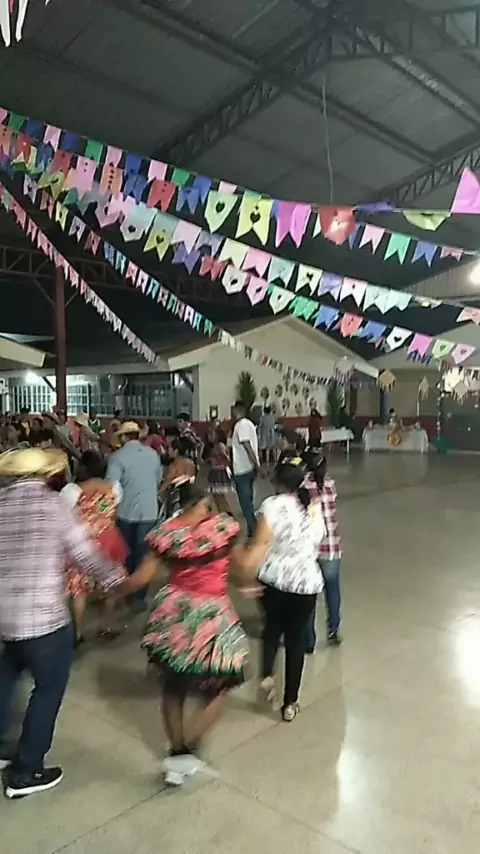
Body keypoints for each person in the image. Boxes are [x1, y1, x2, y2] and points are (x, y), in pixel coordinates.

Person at [0, 447, 125, 799]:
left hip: (5, 616)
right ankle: (26, 771)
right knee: (48, 688)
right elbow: (84, 555)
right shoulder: (54, 507)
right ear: (45, 475)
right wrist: (115, 578)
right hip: (44, 619)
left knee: (7, 674)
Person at [122, 482, 248, 787]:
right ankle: (189, 748)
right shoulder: (222, 528)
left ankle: (177, 749)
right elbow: (244, 567)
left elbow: (141, 578)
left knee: (173, 688)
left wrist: (112, 590)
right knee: (220, 686)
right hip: (213, 615)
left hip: (175, 614)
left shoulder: (167, 534)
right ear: (203, 502)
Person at [235, 459, 325, 722]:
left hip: (273, 580)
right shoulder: (313, 507)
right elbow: (317, 540)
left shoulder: (271, 506)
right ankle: (290, 703)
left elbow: (260, 544)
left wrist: (246, 576)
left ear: (276, 482)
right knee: (296, 642)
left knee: (272, 629)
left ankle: (267, 675)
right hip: (306, 582)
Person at [61, 451, 128, 645]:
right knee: (111, 585)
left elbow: (66, 517)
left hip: (82, 543)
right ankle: (105, 625)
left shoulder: (72, 490)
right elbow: (115, 514)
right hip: (110, 540)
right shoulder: (114, 487)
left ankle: (78, 632)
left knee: (79, 590)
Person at [107, 421, 163, 611]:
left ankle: (126, 590)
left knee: (126, 554)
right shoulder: (153, 454)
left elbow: (112, 487)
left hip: (125, 512)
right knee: (143, 554)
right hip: (149, 511)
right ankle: (139, 596)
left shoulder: (117, 457)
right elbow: (158, 479)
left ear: (123, 437)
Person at [302, 447, 343, 650]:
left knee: (310, 595)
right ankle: (333, 631)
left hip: (310, 549)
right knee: (332, 590)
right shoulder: (330, 485)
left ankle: (309, 640)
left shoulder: (303, 487)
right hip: (332, 547)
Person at [231, 401, 259, 537]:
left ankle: (254, 529)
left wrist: (256, 464)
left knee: (245, 502)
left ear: (238, 410)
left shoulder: (241, 425)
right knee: (248, 499)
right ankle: (251, 528)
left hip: (242, 469)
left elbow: (246, 445)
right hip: (250, 468)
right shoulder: (249, 424)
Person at [160, 437, 196, 518]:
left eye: (169, 448)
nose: (167, 451)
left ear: (176, 451)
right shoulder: (191, 463)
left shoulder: (174, 465)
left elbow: (167, 482)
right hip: (188, 495)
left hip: (175, 498)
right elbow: (192, 480)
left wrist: (158, 493)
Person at [206, 427, 236, 515]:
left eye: (212, 434)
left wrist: (223, 461)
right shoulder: (216, 446)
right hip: (216, 471)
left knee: (219, 495)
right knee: (217, 495)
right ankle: (224, 512)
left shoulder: (219, 445)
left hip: (219, 472)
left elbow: (225, 457)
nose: (209, 436)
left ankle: (226, 512)